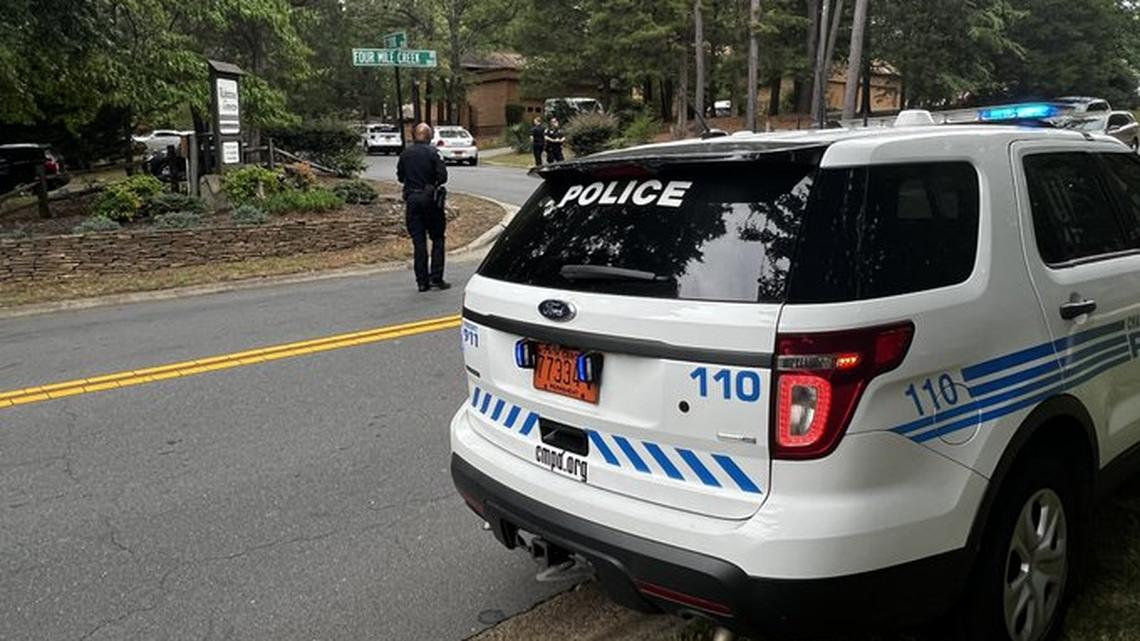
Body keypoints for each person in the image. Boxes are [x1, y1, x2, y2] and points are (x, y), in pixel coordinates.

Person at [396, 123, 450, 292]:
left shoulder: (405, 154)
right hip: (430, 200)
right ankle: (436, 277)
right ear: (429, 136)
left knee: (418, 242)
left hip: (412, 199)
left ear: (414, 136)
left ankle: (422, 281)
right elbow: (443, 177)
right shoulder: (434, 153)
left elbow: (400, 177)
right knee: (437, 238)